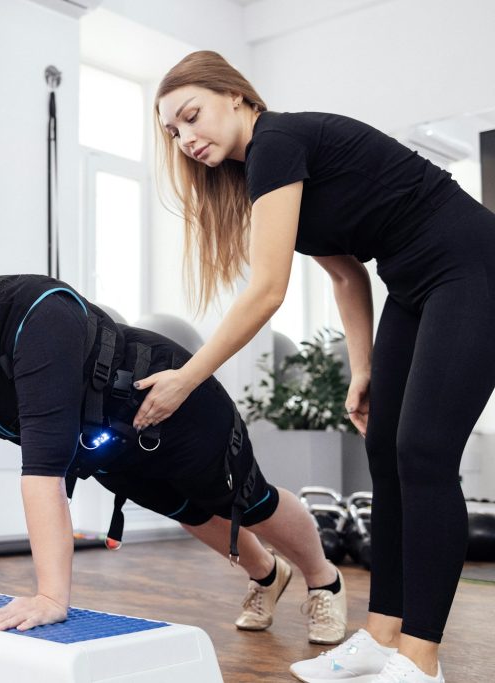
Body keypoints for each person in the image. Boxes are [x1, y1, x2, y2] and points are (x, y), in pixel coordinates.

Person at [142, 50, 495, 683]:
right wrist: (362, 368)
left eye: (191, 116)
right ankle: (384, 633)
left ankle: (421, 659)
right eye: (173, 131)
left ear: (237, 97)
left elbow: (267, 290)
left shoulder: (278, 140)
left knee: (423, 452)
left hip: (471, 263)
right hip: (411, 283)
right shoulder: (263, 169)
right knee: (384, 450)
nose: (186, 138)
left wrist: (187, 377)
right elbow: (344, 270)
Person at [0, 236, 346, 645]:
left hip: (174, 407)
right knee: (188, 509)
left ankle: (323, 581)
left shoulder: (36, 312)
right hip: (110, 442)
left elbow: (42, 467)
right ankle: (267, 574)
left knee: (247, 502)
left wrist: (51, 596)